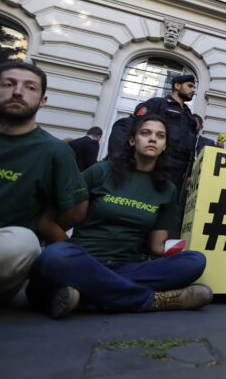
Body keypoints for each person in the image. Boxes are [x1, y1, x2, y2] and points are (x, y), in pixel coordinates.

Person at [26, 115, 212, 319]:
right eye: (146, 133)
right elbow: (46, 220)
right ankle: (154, 300)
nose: (153, 139)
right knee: (55, 256)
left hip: (128, 267)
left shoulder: (167, 189)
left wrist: (193, 243)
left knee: (195, 261)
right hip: (84, 260)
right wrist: (70, 250)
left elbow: (157, 247)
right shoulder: (100, 171)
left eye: (160, 136)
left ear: (165, 146)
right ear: (132, 140)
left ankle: (86, 294)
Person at [0, 61, 88, 328]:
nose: (18, 92)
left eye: (30, 87)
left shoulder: (55, 151)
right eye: (9, 84)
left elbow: (76, 210)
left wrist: (45, 223)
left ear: (42, 100)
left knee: (24, 243)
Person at [134, 73, 198, 235]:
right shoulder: (158, 104)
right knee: (147, 205)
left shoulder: (189, 115)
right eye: (190, 86)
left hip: (180, 172)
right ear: (177, 86)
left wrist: (190, 174)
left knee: (168, 210)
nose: (193, 90)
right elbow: (136, 127)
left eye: (194, 87)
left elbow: (191, 147)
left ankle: (158, 244)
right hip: (159, 165)